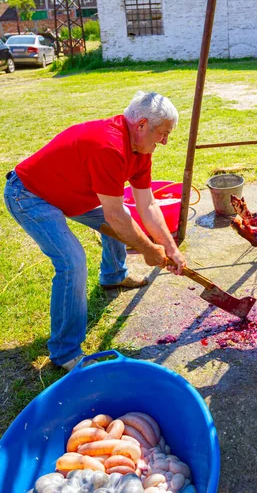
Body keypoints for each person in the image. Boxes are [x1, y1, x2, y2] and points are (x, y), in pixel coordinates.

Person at [4, 91, 186, 371]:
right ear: (141, 126)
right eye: (162, 134)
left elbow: (147, 204)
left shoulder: (140, 151)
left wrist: (170, 248)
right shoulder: (109, 146)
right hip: (29, 195)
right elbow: (115, 215)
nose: (164, 141)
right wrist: (149, 250)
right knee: (72, 261)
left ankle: (113, 276)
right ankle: (65, 352)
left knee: (122, 221)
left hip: (73, 193)